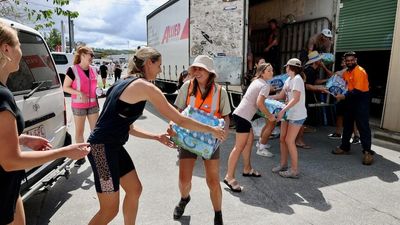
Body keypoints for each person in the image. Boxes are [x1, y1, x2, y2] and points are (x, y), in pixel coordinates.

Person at [86, 47, 225, 225]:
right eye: (158, 65)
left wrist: (156, 136)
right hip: (100, 151)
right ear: (148, 63)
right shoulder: (144, 86)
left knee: (135, 190)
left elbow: (128, 128)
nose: (160, 70)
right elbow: (180, 120)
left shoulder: (125, 82)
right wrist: (211, 130)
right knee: (109, 210)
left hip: (113, 147)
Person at [0, 21, 90, 225]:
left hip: (10, 188)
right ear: (6, 49)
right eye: (19, 45)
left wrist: (22, 138)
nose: (21, 52)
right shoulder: (2, 96)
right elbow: (10, 160)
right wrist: (65, 151)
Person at [172, 55, 230, 225]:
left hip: (211, 142)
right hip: (188, 139)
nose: (196, 72)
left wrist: (225, 131)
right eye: (194, 69)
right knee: (184, 180)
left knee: (213, 181)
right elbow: (177, 111)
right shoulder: (186, 87)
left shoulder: (221, 92)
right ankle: (184, 198)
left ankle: (218, 215)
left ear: (210, 73)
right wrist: (171, 125)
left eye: (200, 69)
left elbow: (226, 116)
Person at [224, 63, 275, 192]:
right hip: (243, 117)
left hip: (241, 115)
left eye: (272, 70)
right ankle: (229, 177)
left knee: (249, 141)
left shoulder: (257, 81)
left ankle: (247, 168)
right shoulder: (264, 85)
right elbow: (259, 103)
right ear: (262, 73)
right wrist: (270, 116)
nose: (272, 72)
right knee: (239, 147)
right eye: (269, 71)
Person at [332, 51, 375, 165]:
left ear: (356, 60)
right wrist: (332, 87)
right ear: (345, 62)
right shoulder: (347, 72)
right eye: (348, 60)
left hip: (361, 100)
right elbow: (343, 83)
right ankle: (345, 147)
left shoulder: (360, 71)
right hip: (350, 100)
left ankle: (367, 152)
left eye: (352, 60)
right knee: (348, 125)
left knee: (363, 126)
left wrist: (343, 96)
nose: (350, 62)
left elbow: (357, 90)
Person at [270, 58, 307, 178]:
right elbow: (281, 95)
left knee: (289, 141)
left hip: (296, 114)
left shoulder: (297, 79)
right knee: (282, 139)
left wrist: (282, 110)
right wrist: (268, 97)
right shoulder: (288, 79)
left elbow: (295, 99)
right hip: (288, 114)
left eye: (287, 67)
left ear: (290, 68)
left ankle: (294, 170)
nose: (285, 68)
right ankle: (283, 164)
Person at [63, 46, 100, 167]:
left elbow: (95, 86)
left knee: (96, 132)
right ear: (82, 55)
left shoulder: (95, 69)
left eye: (93, 55)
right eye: (91, 54)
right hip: (79, 105)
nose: (92, 57)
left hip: (93, 104)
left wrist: (100, 90)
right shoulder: (72, 70)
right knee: (79, 132)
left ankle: (98, 156)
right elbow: (65, 87)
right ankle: (81, 156)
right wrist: (79, 93)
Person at [295, 51, 332, 149]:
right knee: (302, 120)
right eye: (320, 60)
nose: (321, 61)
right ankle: (299, 140)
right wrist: (319, 88)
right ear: (316, 61)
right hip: (303, 98)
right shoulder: (309, 70)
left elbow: (314, 81)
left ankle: (296, 139)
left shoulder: (312, 70)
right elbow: (306, 85)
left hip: (304, 98)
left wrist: (325, 81)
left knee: (301, 120)